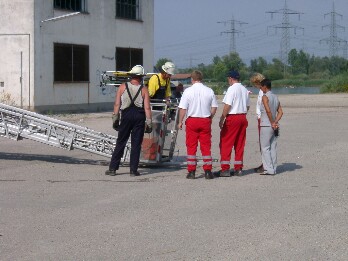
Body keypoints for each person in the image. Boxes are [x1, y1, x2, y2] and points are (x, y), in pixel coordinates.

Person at [105, 65, 152, 177]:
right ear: (141, 77)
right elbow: (147, 108)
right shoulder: (144, 89)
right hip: (139, 117)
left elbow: (117, 104)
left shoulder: (122, 87)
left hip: (126, 115)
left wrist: (115, 119)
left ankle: (113, 169)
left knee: (121, 142)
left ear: (131, 75)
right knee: (136, 144)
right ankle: (133, 170)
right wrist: (149, 122)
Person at [178, 70, 218, 179]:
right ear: (202, 79)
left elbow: (183, 108)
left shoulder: (188, 91)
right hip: (205, 119)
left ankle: (191, 172)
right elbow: (214, 107)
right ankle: (208, 171)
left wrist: (180, 121)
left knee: (191, 146)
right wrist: (210, 117)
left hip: (192, 120)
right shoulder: (209, 91)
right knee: (206, 146)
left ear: (192, 79)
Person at [218, 70, 250, 177]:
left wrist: (222, 118)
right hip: (242, 116)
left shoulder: (231, 89)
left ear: (231, 78)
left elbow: (227, 105)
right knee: (240, 143)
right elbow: (248, 106)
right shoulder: (244, 89)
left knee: (226, 142)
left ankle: (225, 169)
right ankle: (238, 168)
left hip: (233, 117)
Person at [259, 78, 283, 175]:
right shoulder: (275, 96)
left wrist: (272, 121)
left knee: (265, 147)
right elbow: (281, 112)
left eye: (261, 87)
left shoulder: (265, 97)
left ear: (265, 86)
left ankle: (269, 169)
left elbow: (268, 110)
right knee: (273, 146)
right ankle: (274, 167)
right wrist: (275, 121)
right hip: (274, 125)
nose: (261, 89)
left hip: (266, 124)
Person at [250, 72, 266, 173]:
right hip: (261, 117)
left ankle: (265, 164)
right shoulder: (262, 91)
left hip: (263, 118)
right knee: (263, 142)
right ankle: (264, 162)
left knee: (263, 142)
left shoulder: (263, 91)